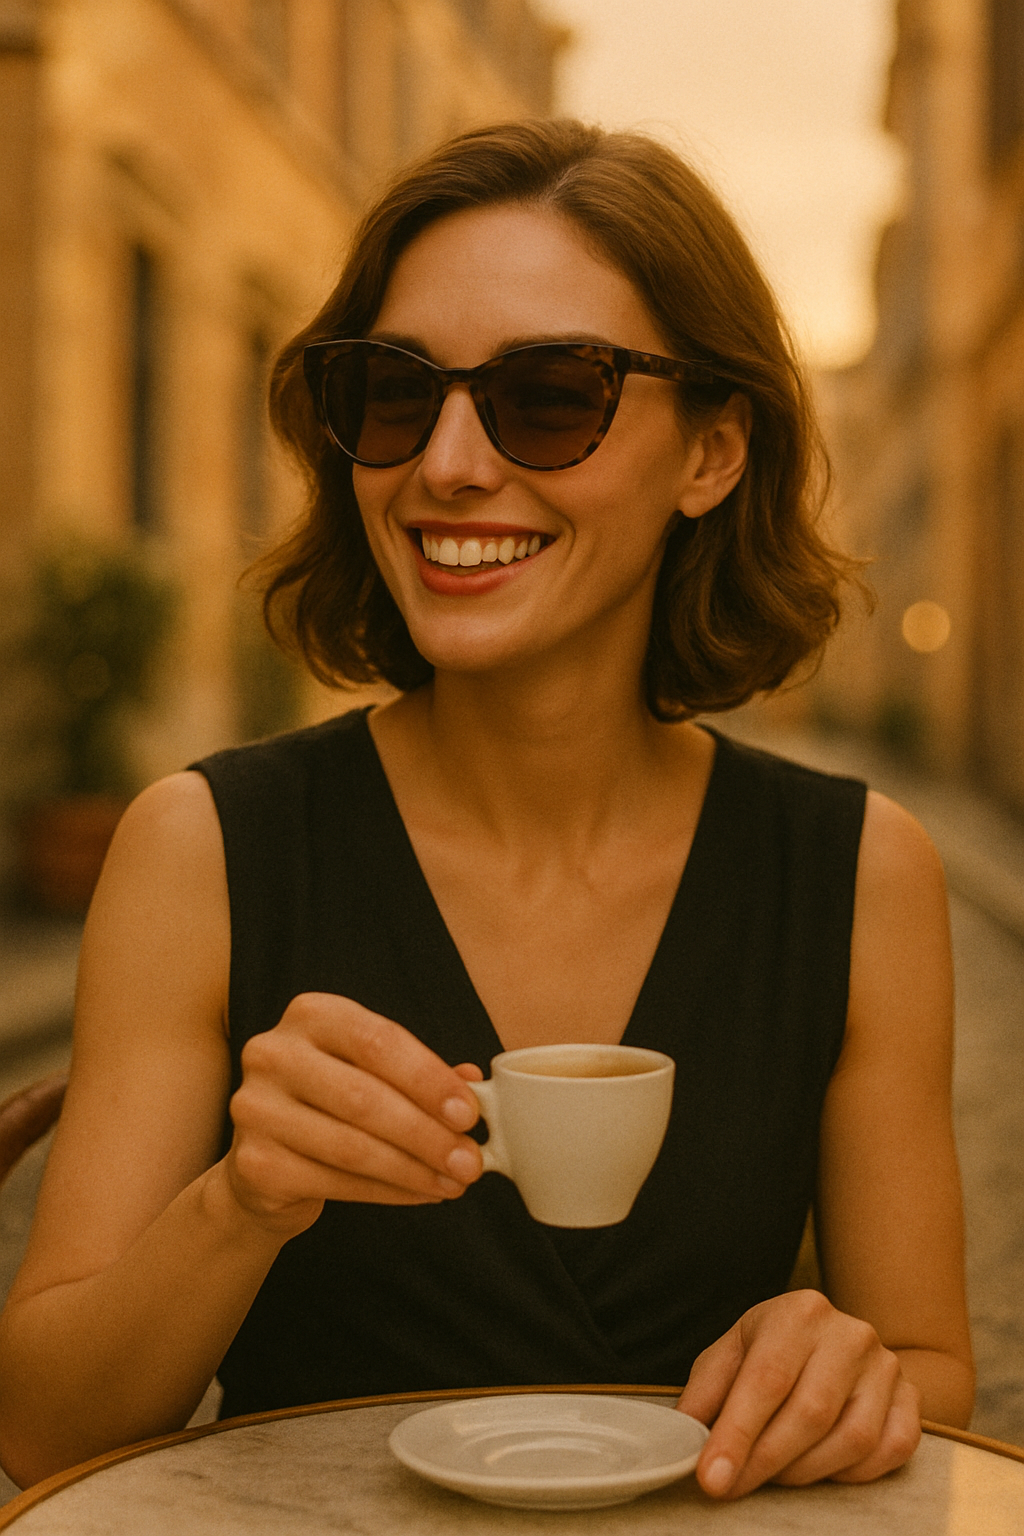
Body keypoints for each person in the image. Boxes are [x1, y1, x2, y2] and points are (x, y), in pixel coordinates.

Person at [0, 119, 974, 1496]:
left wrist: (847, 1373)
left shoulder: (861, 872)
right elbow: (45, 1435)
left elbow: (929, 1366)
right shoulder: (200, 849)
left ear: (712, 452)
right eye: (395, 394)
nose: (447, 464)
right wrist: (240, 1203)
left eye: (551, 395)